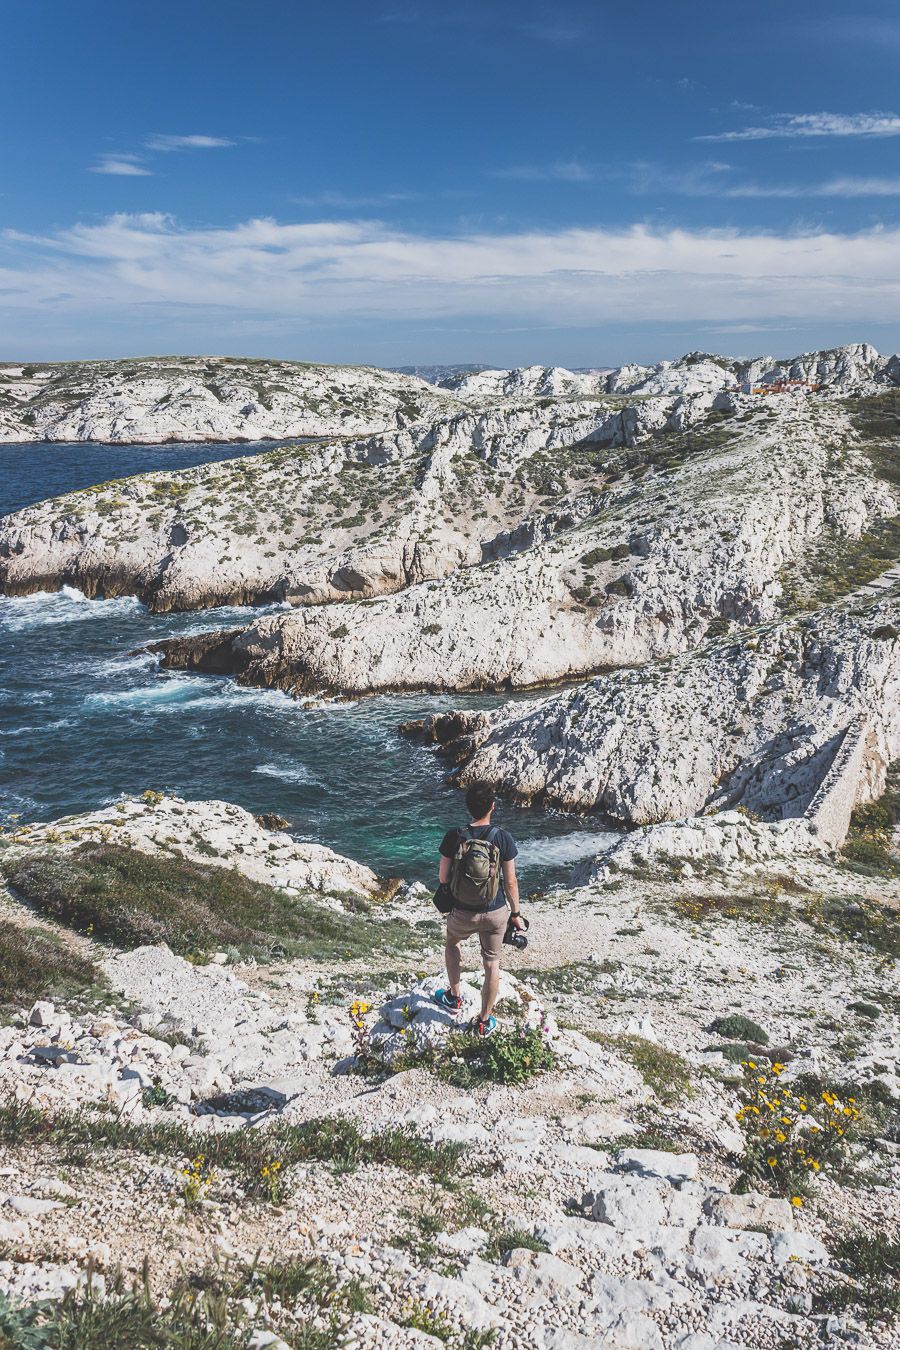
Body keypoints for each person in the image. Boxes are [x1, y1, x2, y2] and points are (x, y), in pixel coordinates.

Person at [433, 780, 526, 1038]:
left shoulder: (455, 836)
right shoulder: (503, 838)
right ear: (492, 807)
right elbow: (510, 882)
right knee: (491, 964)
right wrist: (515, 915)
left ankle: (454, 996)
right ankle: (484, 1021)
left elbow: (442, 877)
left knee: (453, 944)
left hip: (462, 912)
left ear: (468, 807)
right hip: (495, 913)